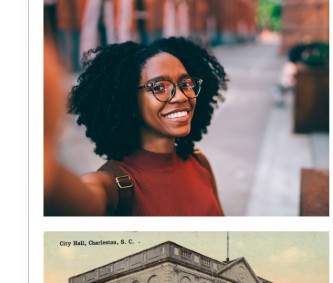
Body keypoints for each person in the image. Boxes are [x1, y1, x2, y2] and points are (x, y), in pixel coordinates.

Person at [45, 36, 228, 216]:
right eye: (159, 87)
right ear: (129, 101)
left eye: (186, 83)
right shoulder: (111, 186)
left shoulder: (200, 163)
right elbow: (71, 199)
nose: (181, 96)